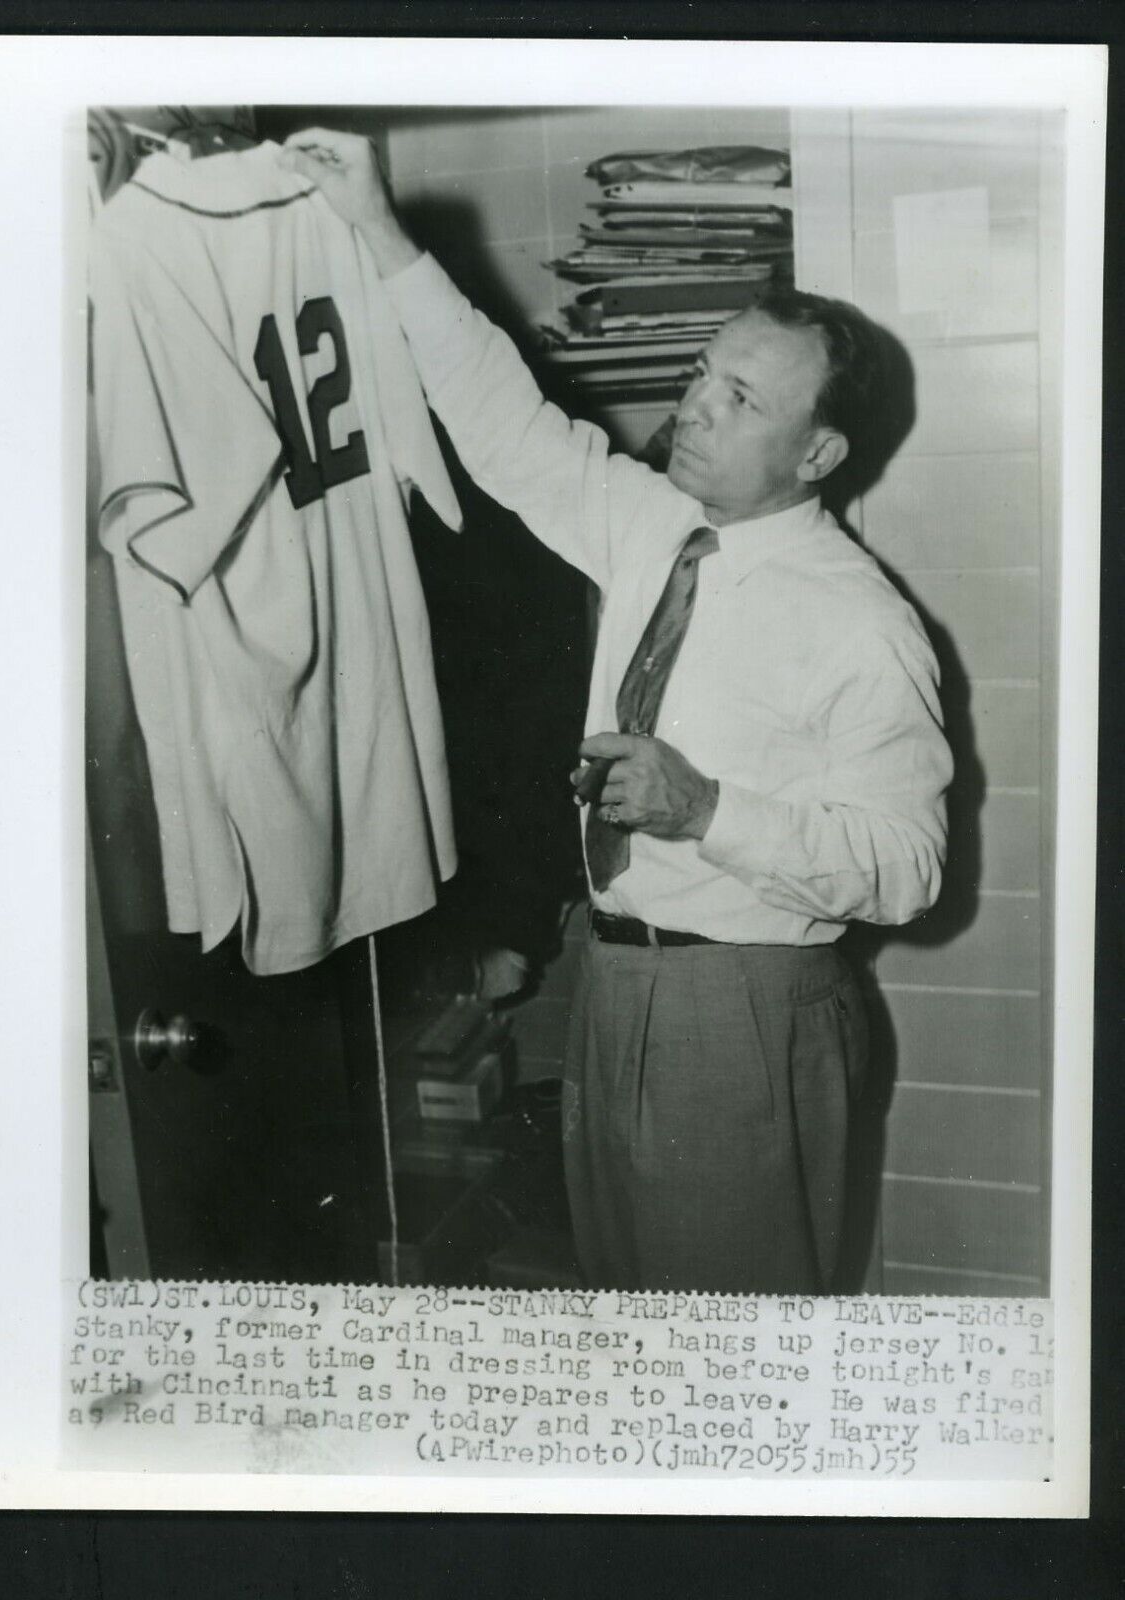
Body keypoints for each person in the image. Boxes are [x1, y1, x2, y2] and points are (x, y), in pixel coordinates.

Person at [282, 129, 953, 1295]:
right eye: (704, 371)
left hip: (745, 1013)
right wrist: (377, 228)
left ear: (819, 451)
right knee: (634, 1329)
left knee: (729, 1366)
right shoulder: (655, 525)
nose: (693, 405)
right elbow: (503, 424)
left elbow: (906, 869)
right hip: (616, 982)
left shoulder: (862, 623)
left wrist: (705, 808)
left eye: (739, 398)